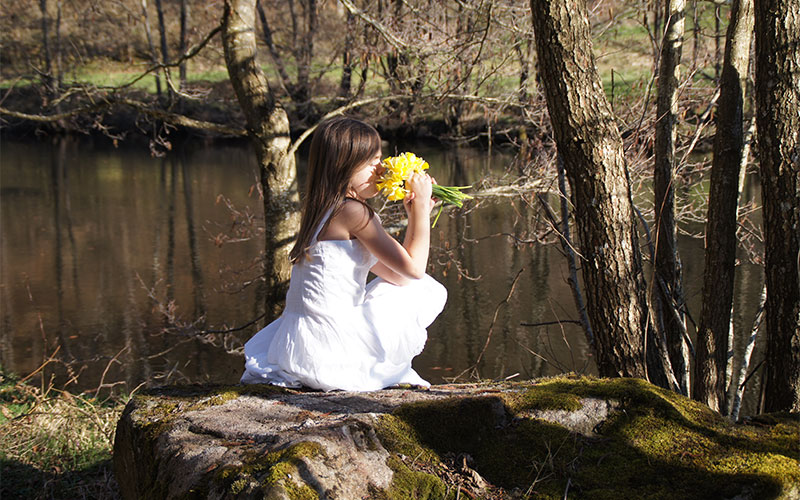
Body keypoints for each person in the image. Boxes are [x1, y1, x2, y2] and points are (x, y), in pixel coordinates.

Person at [240, 116, 447, 391]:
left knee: (415, 287)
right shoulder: (353, 211)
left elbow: (400, 278)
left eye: (381, 158)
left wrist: (414, 216)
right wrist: (421, 208)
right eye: (373, 162)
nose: (382, 168)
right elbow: (415, 271)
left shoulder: (326, 211)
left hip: (301, 345)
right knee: (429, 288)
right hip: (330, 348)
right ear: (344, 167)